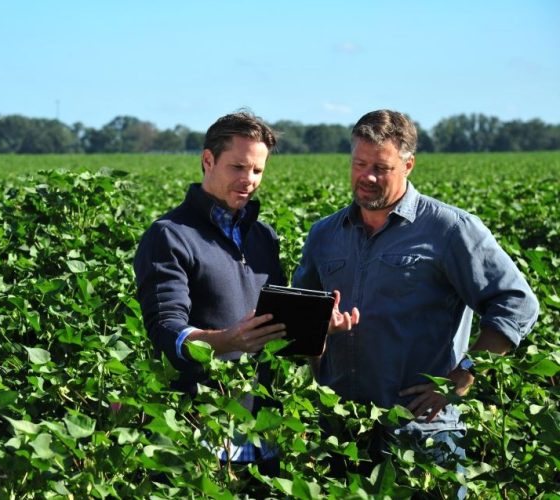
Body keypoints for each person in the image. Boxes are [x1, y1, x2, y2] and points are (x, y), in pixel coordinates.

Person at [293, 109, 539, 477]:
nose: (367, 177)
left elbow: (517, 303)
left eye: (382, 167)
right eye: (359, 163)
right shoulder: (325, 234)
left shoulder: (449, 229)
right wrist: (319, 335)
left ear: (409, 165)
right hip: (340, 429)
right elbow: (302, 317)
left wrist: (462, 377)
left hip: (421, 431)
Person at [134, 111, 357, 482]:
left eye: (257, 171)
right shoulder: (170, 236)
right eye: (238, 167)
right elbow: (166, 329)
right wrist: (225, 341)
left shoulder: (263, 237)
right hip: (201, 435)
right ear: (208, 160)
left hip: (265, 436)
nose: (248, 180)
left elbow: (278, 329)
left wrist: (318, 327)